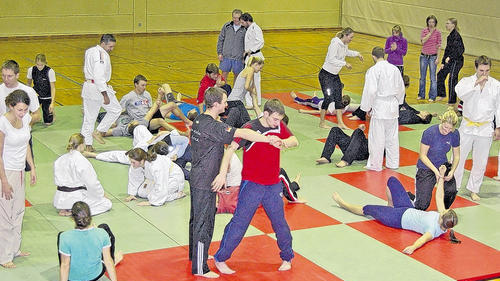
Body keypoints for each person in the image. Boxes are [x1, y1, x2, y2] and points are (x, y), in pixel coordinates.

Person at [188, 87, 278, 278]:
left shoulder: (199, 119)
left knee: (196, 219)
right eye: (224, 101)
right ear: (215, 104)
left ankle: (195, 256)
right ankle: (200, 267)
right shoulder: (213, 127)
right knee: (204, 222)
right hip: (206, 181)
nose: (226, 104)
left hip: (197, 175)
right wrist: (267, 140)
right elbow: (243, 134)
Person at [214, 99, 299, 274]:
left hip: (273, 185)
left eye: (279, 120)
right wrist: (222, 174)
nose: (278, 123)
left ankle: (287, 256)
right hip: (252, 185)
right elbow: (230, 149)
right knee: (240, 223)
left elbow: (294, 140)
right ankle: (220, 258)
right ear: (265, 114)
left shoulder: (278, 126)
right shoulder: (250, 128)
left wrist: (283, 143)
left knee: (280, 223)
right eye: (275, 119)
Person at [333, 167, 459, 255]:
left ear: (442, 218)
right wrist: (441, 177)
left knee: (368, 209)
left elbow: (422, 240)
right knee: (392, 181)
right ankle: (390, 205)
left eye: (443, 212)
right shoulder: (444, 220)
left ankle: (342, 203)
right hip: (407, 207)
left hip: (397, 219)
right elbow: (440, 196)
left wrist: (412, 248)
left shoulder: (432, 230)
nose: (442, 210)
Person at [454, 55, 500, 201]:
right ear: (475, 68)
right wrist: (475, 84)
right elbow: (460, 94)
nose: (484, 74)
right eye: (481, 70)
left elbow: (499, 108)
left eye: (487, 70)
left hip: (485, 128)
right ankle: (453, 187)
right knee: (457, 158)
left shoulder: (496, 85)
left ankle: (474, 189)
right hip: (467, 126)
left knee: (480, 162)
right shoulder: (466, 82)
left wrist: (498, 126)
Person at [0, 90, 36, 268]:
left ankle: (15, 249)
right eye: (20, 110)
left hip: (20, 170)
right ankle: (4, 255)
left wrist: (32, 166)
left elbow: (26, 143)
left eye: (25, 110)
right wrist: (4, 181)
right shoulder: (3, 123)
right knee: (5, 214)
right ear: (11, 106)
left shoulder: (26, 119)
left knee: (19, 210)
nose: (23, 113)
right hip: (6, 171)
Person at [360, 47, 405, 171]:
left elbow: (371, 91)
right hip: (392, 106)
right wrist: (398, 102)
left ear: (373, 56)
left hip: (380, 106)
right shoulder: (394, 69)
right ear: (384, 55)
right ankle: (393, 163)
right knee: (392, 137)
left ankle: (375, 164)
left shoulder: (373, 70)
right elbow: (401, 88)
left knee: (377, 138)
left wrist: (366, 107)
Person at [58, 201, 122, 281]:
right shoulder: (102, 233)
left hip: (74, 278)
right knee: (104, 227)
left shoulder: (65, 236)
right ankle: (114, 259)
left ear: (73, 218)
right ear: (89, 216)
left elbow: (65, 265)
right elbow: (108, 261)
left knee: (60, 237)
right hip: (95, 275)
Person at [53, 133, 112, 216]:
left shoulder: (60, 159)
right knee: (106, 203)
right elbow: (92, 183)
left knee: (85, 191)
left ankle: (65, 208)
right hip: (75, 198)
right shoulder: (81, 160)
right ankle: (76, 212)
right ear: (81, 145)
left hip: (60, 199)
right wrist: (101, 194)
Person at [80, 34, 121, 151]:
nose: (111, 49)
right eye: (110, 46)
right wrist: (104, 94)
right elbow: (98, 75)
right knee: (115, 110)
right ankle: (99, 131)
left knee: (89, 117)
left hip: (89, 86)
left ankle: (87, 144)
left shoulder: (90, 51)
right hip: (97, 88)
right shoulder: (101, 54)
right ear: (103, 43)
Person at [413, 109, 460, 210]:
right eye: (445, 127)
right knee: (422, 205)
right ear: (441, 121)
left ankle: (443, 211)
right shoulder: (430, 133)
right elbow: (422, 155)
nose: (447, 131)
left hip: (442, 166)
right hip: (426, 167)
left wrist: (452, 171)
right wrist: (435, 171)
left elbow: (456, 156)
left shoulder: (455, 134)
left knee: (451, 191)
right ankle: (409, 197)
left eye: (450, 129)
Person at [318, 27, 363, 129]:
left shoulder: (344, 45)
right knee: (328, 98)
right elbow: (331, 59)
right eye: (350, 37)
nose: (351, 39)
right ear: (345, 35)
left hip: (334, 75)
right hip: (326, 75)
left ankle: (340, 123)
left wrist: (357, 54)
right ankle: (322, 122)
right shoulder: (335, 44)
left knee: (338, 98)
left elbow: (346, 52)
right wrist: (344, 63)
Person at [223, 56, 263, 128]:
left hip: (233, 101)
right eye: (260, 67)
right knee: (247, 124)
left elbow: (253, 88)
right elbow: (247, 86)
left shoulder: (250, 71)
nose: (260, 70)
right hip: (236, 101)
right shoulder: (250, 70)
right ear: (256, 64)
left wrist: (255, 100)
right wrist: (252, 92)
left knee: (240, 124)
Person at [0, 60, 41, 125]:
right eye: (3, 75)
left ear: (17, 75)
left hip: (22, 133)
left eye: (9, 76)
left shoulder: (28, 91)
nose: (6, 79)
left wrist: (22, 122)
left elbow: (37, 115)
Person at [436, 18, 465, 105]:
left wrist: (451, 58)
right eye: (446, 23)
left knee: (452, 79)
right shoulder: (450, 37)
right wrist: (443, 63)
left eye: (448, 23)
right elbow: (447, 50)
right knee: (440, 74)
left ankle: (452, 101)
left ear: (453, 25)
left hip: (457, 61)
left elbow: (461, 50)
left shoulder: (457, 36)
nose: (446, 25)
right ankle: (441, 94)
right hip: (450, 60)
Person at [240, 12, 264, 107]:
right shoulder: (249, 28)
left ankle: (254, 102)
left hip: (255, 56)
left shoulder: (255, 28)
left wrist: (251, 50)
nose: (242, 24)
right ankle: (252, 102)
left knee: (254, 80)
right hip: (250, 56)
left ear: (247, 21)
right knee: (250, 79)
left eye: (242, 22)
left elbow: (261, 41)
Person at [26, 54, 56, 125]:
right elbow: (28, 85)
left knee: (48, 123)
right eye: (37, 64)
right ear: (35, 62)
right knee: (31, 117)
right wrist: (30, 95)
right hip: (36, 94)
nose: (39, 67)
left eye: (41, 65)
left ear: (45, 63)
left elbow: (53, 88)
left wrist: (52, 103)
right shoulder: (31, 70)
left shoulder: (50, 71)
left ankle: (51, 114)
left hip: (47, 96)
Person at [217, 9, 246, 82]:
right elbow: (221, 39)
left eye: (238, 18)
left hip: (238, 57)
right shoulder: (227, 26)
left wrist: (244, 56)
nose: (236, 20)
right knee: (224, 75)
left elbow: (247, 43)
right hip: (226, 56)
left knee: (237, 76)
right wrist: (219, 53)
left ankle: (235, 92)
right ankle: (223, 92)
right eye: (234, 17)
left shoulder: (245, 29)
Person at [418, 15, 441, 102]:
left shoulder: (438, 33)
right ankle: (421, 94)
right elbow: (423, 41)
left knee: (433, 78)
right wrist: (430, 33)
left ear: (435, 23)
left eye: (433, 22)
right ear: (427, 22)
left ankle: (432, 96)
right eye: (430, 22)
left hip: (433, 57)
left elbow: (439, 46)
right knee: (422, 77)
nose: (431, 24)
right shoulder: (424, 31)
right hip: (423, 56)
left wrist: (438, 58)